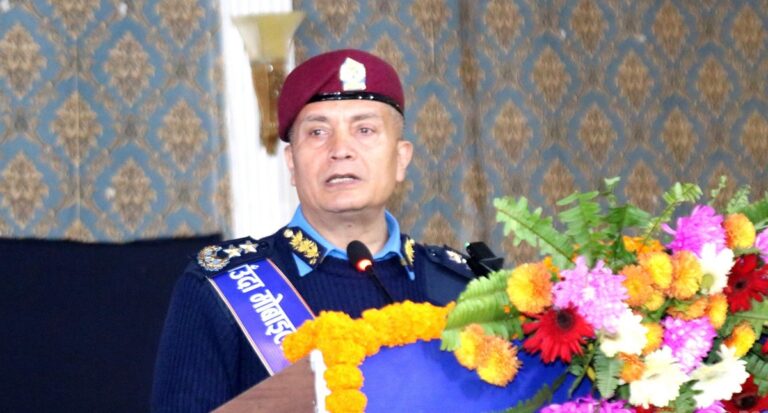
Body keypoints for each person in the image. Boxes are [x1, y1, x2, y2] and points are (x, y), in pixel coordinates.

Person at [150, 49, 476, 412]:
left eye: (364, 130)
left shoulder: (466, 288)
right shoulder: (223, 287)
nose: (341, 150)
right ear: (292, 163)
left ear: (401, 158)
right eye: (318, 132)